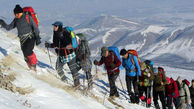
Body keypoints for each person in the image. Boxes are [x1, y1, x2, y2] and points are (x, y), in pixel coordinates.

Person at [0, 4, 41, 71]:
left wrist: (37, 37)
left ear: (21, 12)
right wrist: (2, 22)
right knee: (25, 56)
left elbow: (35, 27)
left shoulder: (28, 17)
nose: (15, 15)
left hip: (30, 37)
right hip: (22, 40)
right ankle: (31, 69)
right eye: (14, 14)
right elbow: (9, 27)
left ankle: (34, 65)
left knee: (28, 51)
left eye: (16, 14)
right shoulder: (16, 20)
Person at [45, 21, 80, 87]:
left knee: (73, 70)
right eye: (54, 26)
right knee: (58, 68)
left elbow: (67, 43)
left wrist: (62, 41)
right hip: (62, 55)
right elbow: (56, 44)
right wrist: (49, 45)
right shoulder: (55, 34)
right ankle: (65, 82)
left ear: (59, 27)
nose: (54, 27)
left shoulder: (64, 33)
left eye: (55, 26)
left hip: (69, 55)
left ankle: (77, 85)